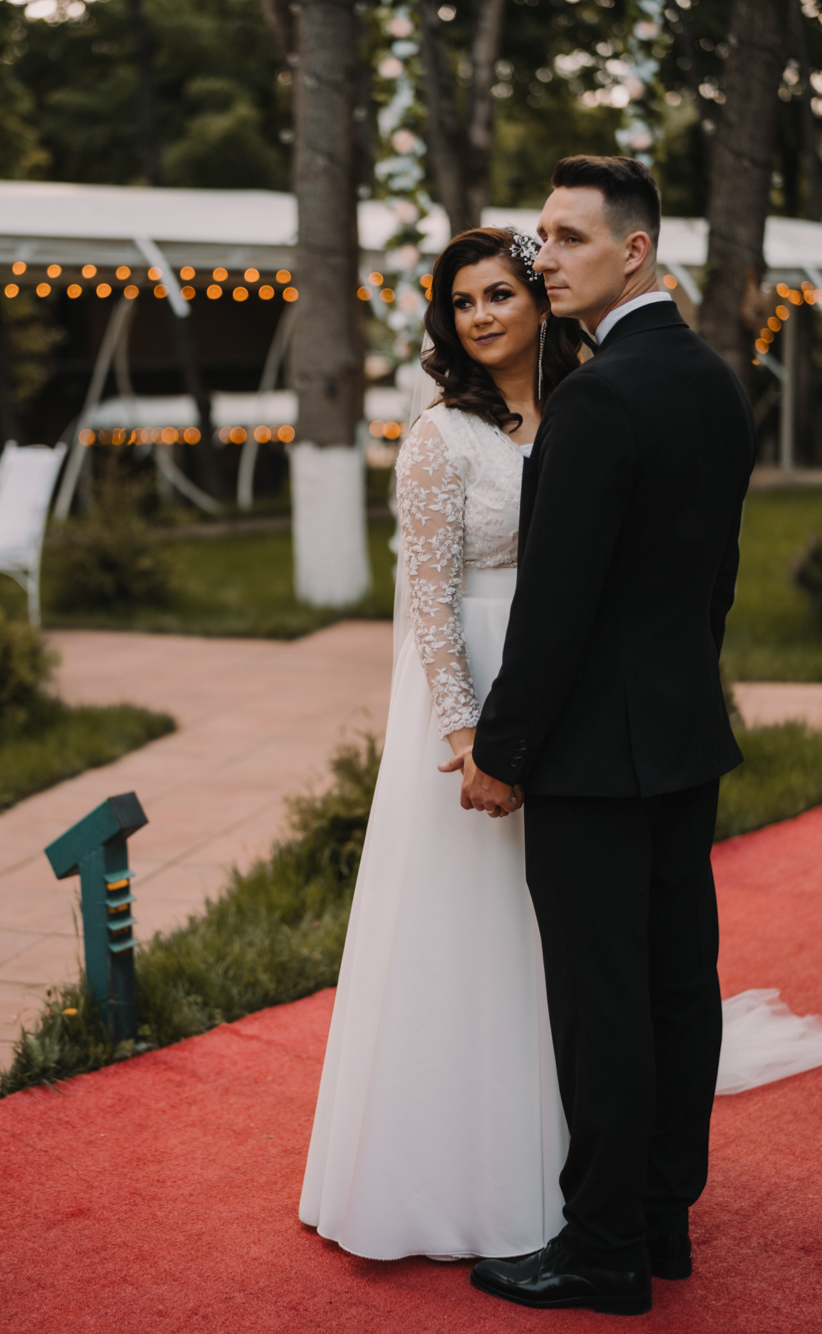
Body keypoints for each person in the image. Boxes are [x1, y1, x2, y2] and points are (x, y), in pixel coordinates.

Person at [448, 157, 756, 1315]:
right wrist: (676, 691)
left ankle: (603, 1246)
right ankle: (665, 1218)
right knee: (679, 984)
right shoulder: (715, 383)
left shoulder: (596, 396)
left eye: (569, 238)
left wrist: (503, 749)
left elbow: (557, 604)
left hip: (588, 757)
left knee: (603, 1003)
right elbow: (713, 582)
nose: (544, 259)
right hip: (681, 737)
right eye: (541, 236)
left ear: (635, 250)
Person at [299, 225, 585, 1263]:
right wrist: (468, 736)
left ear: (540, 300)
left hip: (564, 683)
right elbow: (426, 597)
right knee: (472, 913)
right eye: (463, 302)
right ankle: (449, 1168)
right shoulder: (440, 436)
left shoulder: (581, 411)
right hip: (473, 688)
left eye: (500, 293)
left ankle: (565, 1147)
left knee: (553, 922)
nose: (482, 315)